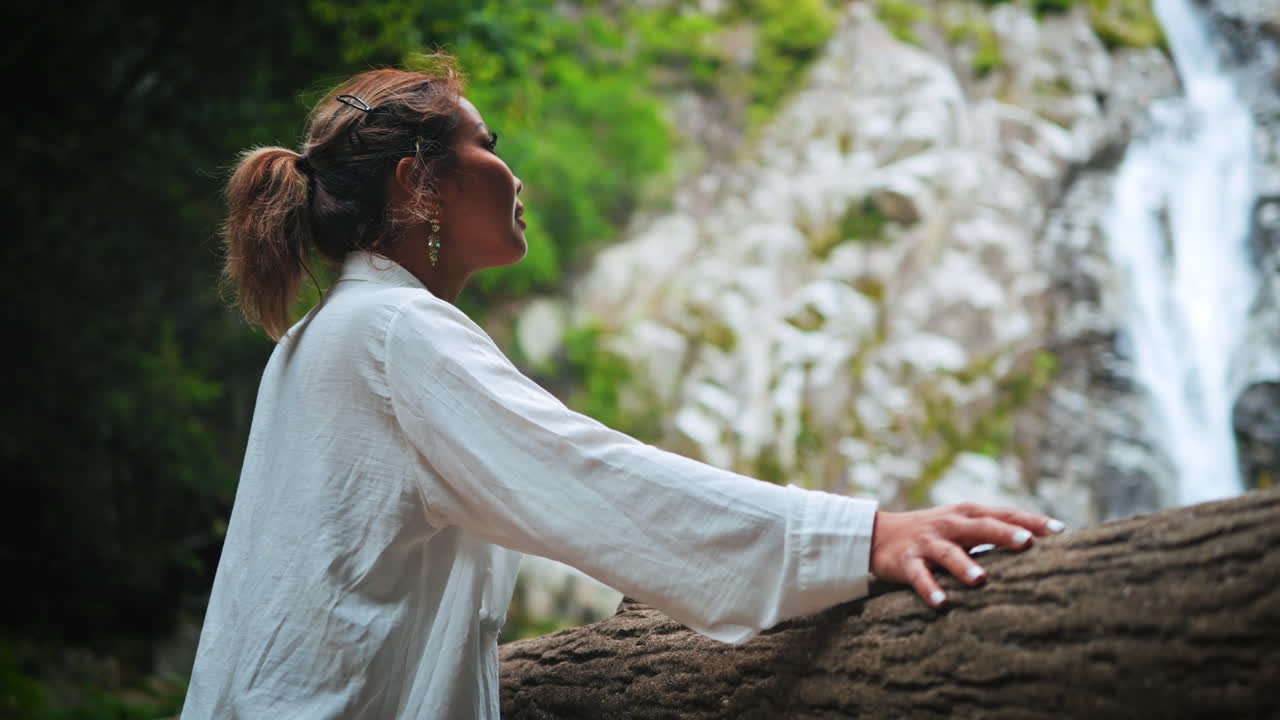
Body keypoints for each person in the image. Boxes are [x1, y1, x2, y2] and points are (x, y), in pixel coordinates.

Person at [182, 58, 1064, 719]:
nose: (513, 172)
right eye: (487, 147)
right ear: (422, 184)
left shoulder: (315, 343)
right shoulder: (389, 335)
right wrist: (862, 536)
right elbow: (591, 480)